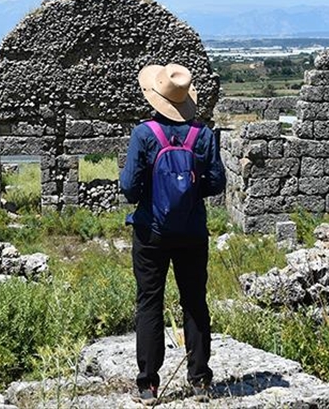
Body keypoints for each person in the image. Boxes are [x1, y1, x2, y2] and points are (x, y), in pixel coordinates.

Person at [119, 63, 226, 405]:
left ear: (155, 95)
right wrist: (188, 195)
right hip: (193, 232)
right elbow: (217, 182)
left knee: (149, 302)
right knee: (194, 302)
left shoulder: (144, 134)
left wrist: (156, 193)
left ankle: (148, 385)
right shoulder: (203, 134)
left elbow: (129, 188)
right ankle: (199, 380)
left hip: (151, 231)